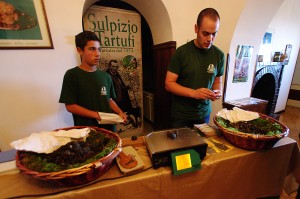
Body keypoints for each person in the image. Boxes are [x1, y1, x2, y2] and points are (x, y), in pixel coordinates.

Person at [165, 8, 225, 128]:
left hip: (204, 114)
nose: (210, 39)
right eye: (206, 33)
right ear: (196, 29)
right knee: (180, 146)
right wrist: (194, 93)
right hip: (181, 115)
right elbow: (168, 84)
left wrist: (218, 92)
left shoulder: (219, 55)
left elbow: (217, 81)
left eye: (214, 33)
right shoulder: (181, 52)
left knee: (200, 146)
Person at [59, 31, 127, 132]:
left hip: (109, 128)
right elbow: (70, 106)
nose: (97, 54)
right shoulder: (72, 75)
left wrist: (119, 112)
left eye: (99, 49)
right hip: (86, 130)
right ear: (80, 51)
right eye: (92, 49)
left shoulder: (106, 76)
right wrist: (97, 115)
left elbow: (108, 99)